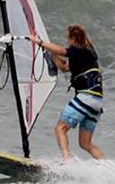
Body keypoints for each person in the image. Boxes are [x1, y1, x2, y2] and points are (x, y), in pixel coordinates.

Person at [33, 24, 107, 160]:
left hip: (86, 98)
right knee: (85, 144)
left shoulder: (79, 50)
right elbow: (65, 67)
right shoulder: (89, 53)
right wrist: (51, 53)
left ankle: (67, 160)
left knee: (60, 128)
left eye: (68, 39)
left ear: (73, 38)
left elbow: (62, 51)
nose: (67, 42)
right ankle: (107, 167)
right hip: (97, 104)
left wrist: (39, 42)